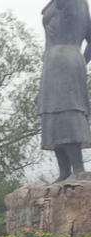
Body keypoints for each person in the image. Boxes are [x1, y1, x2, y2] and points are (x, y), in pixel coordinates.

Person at [39, 0, 91, 182]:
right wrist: (80, 62)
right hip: (58, 59)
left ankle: (77, 168)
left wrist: (78, 62)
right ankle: (65, 170)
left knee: (67, 110)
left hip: (63, 57)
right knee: (52, 113)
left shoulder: (72, 2)